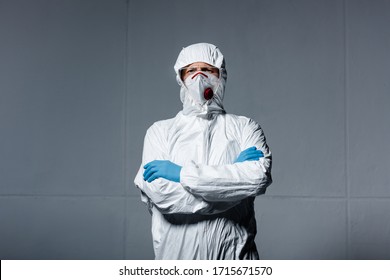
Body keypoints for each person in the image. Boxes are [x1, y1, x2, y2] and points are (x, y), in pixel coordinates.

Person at [134, 43, 272, 260]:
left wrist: (181, 174)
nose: (199, 76)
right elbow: (163, 196)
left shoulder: (245, 127)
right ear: (181, 78)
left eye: (207, 70)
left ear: (221, 76)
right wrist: (231, 181)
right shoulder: (159, 132)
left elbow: (257, 178)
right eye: (191, 70)